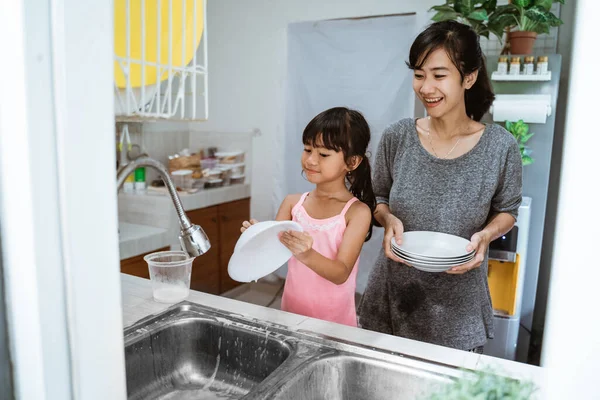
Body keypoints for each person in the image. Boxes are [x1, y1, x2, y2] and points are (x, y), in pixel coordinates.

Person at [358, 21, 523, 353]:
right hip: (392, 298)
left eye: (439, 75)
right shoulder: (398, 136)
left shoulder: (499, 146)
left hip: (458, 309)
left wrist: (486, 235)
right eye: (419, 75)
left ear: (469, 77)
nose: (426, 87)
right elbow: (378, 199)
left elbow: (508, 211)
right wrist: (388, 220)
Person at [241, 107, 375, 327]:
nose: (311, 160)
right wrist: (255, 237)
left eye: (323, 154)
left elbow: (340, 273)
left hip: (335, 324)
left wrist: (307, 254)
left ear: (352, 162)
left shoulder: (356, 212)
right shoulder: (293, 203)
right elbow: (270, 254)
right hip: (291, 314)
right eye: (307, 149)